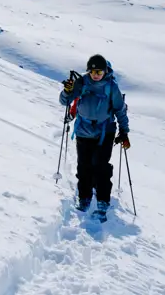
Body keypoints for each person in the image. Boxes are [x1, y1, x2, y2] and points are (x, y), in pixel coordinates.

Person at [60, 54, 130, 222]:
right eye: (93, 71)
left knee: (100, 166)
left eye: (99, 71)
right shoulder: (82, 82)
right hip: (84, 130)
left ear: (105, 71)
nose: (96, 74)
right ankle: (84, 198)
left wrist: (124, 131)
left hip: (104, 132)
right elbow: (65, 101)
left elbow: (120, 109)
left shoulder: (111, 87)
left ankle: (103, 201)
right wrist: (67, 91)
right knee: (83, 166)